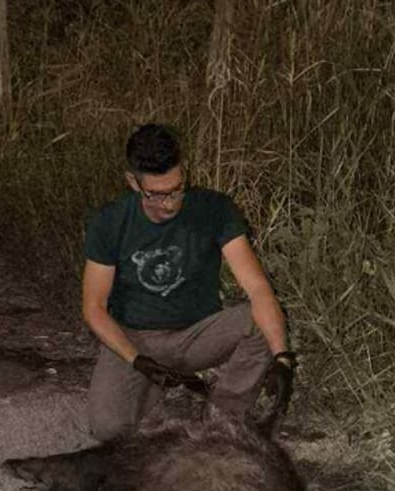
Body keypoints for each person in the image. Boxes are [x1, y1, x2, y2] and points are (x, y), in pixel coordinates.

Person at [81, 123, 295, 442]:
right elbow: (94, 307)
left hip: (196, 334)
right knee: (108, 430)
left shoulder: (215, 209)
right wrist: (137, 360)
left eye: (177, 189)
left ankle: (224, 417)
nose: (170, 203)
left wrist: (282, 357)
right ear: (133, 183)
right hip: (136, 339)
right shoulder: (110, 222)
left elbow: (258, 288)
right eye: (157, 194)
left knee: (259, 319)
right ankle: (152, 385)